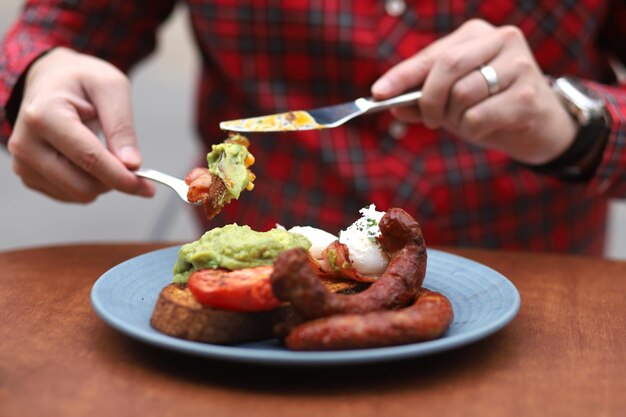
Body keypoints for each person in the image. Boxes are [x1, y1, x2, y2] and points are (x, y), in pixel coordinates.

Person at [1, 1, 625, 255]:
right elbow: (66, 25)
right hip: (253, 313)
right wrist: (39, 73)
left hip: (540, 292)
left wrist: (580, 125)